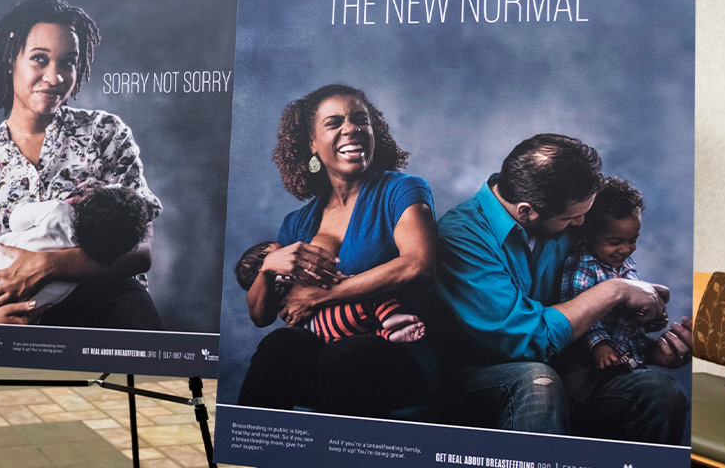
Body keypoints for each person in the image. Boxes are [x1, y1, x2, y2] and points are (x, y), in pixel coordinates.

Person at [434, 134, 691, 443]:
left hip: (572, 373)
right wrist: (615, 290)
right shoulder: (460, 237)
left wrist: (648, 350)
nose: (583, 223)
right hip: (479, 380)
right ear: (527, 211)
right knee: (536, 381)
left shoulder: (564, 220)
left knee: (659, 391)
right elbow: (526, 338)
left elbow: (590, 308)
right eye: (572, 217)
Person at [0, 0, 163, 329]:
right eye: (40, 59)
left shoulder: (104, 133)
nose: (56, 77)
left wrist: (49, 266)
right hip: (9, 317)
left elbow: (141, 250)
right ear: (10, 59)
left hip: (107, 306)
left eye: (68, 62)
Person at [234, 84, 438, 418]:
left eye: (361, 119)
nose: (351, 128)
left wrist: (320, 298)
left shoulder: (401, 190)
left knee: (345, 356)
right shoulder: (297, 224)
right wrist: (269, 267)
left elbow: (417, 265)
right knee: (278, 346)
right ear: (312, 143)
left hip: (398, 354)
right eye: (334, 123)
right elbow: (261, 317)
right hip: (326, 358)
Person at [557, 176, 692, 403]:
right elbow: (578, 315)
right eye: (615, 241)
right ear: (589, 235)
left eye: (633, 240)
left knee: (660, 393)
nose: (626, 249)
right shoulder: (583, 267)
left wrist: (649, 320)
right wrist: (599, 345)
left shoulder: (627, 269)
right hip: (585, 369)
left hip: (624, 363)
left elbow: (626, 320)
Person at [0, 184, 152, 318]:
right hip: (21, 312)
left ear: (82, 200)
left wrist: (50, 263)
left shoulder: (57, 211)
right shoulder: (86, 262)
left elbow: (16, 219)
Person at [235, 241, 425, 343]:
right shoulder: (279, 281)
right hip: (334, 323)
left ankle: (387, 332)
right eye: (280, 254)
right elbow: (260, 316)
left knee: (358, 337)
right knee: (372, 297)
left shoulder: (279, 290)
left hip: (325, 331)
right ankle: (389, 320)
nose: (289, 253)